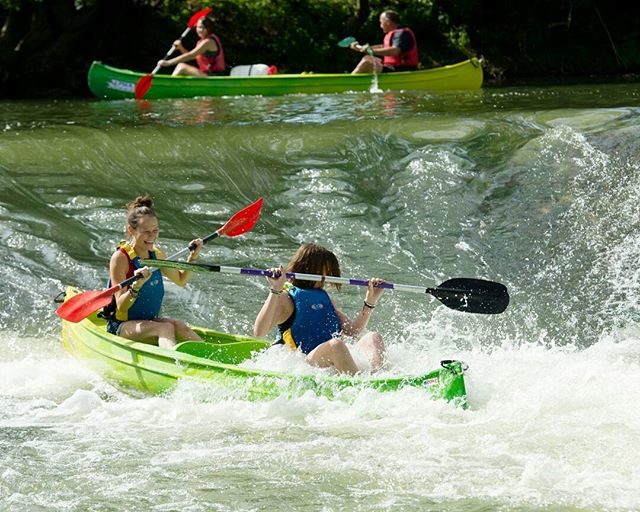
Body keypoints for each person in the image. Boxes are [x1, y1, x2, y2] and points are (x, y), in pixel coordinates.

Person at [253, 243, 386, 375]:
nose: (328, 277)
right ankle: (360, 385)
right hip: (303, 361)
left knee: (372, 338)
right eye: (326, 271)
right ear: (310, 269)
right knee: (336, 345)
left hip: (330, 356)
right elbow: (259, 331)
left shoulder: (324, 297)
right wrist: (275, 289)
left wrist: (370, 301)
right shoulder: (285, 297)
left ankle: (380, 376)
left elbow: (352, 330)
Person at [103, 194, 203, 349]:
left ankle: (217, 360)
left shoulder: (157, 255)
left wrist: (193, 257)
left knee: (180, 326)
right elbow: (121, 306)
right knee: (165, 328)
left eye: (155, 230)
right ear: (131, 230)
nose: (152, 236)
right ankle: (174, 365)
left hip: (148, 323)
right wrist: (136, 286)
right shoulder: (120, 258)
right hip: (122, 326)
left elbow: (181, 281)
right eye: (146, 231)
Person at [349, 10, 419, 74]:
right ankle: (353, 81)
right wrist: (361, 48)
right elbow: (384, 47)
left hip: (403, 70)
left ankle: (348, 83)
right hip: (393, 68)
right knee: (367, 58)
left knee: (366, 63)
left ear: (388, 22)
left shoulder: (402, 34)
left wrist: (370, 50)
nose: (380, 26)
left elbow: (395, 51)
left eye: (381, 23)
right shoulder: (394, 34)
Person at [157, 15, 226, 76]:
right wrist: (181, 48)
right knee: (182, 67)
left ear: (210, 28)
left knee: (182, 66)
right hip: (206, 74)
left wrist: (168, 62)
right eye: (199, 27)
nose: (201, 30)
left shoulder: (208, 42)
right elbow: (193, 56)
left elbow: (191, 55)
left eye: (204, 28)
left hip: (214, 76)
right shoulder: (201, 42)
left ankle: (169, 86)